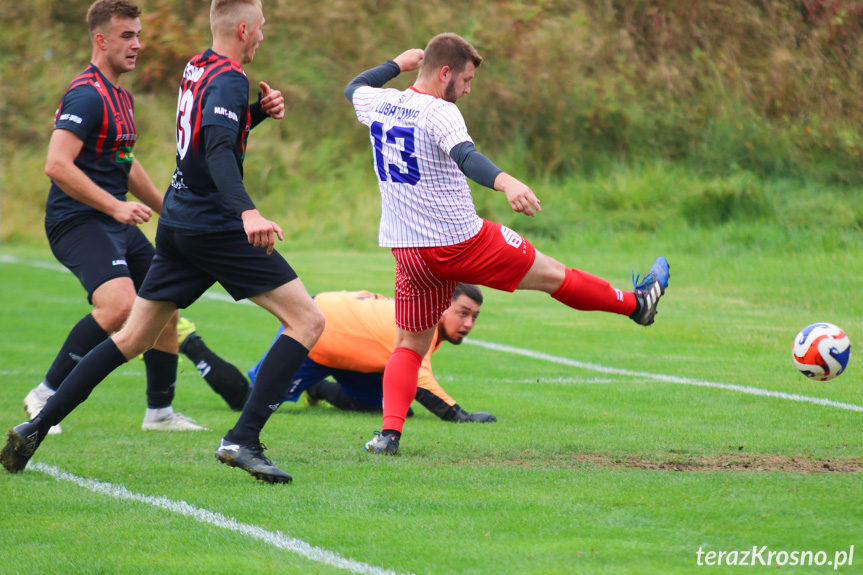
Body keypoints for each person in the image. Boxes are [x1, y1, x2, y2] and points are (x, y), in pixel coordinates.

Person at [1, 0, 325, 485]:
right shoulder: (230, 77)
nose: (263, 35)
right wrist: (248, 211)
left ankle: (37, 425)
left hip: (179, 220)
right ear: (242, 29)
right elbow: (215, 150)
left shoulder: (198, 65)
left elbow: (203, 138)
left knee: (133, 336)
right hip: (212, 225)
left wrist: (253, 114)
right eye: (261, 27)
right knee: (307, 319)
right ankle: (244, 438)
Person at [345, 33, 670, 455]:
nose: (465, 90)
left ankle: (388, 436)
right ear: (444, 73)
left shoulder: (380, 103)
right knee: (555, 275)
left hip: (409, 252)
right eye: (464, 81)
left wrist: (395, 63)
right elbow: (467, 157)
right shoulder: (440, 112)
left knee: (409, 345)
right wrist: (507, 181)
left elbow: (354, 87)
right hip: (462, 241)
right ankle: (637, 304)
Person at [22, 0, 205, 436]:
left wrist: (169, 209)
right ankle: (45, 393)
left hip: (112, 221)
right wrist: (115, 205)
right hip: (77, 220)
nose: (138, 44)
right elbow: (57, 164)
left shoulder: (119, 95)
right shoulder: (86, 94)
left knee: (165, 300)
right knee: (120, 305)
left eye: (139, 35)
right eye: (127, 36)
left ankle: (159, 412)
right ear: (101, 40)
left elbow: (125, 160)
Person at [247, 284, 497, 423]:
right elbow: (420, 381)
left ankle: (317, 389)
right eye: (462, 313)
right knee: (249, 399)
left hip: (351, 351)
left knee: (392, 408)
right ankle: (203, 351)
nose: (468, 324)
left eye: (474, 316)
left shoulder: (421, 315)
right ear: (441, 306)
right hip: (318, 332)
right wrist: (460, 416)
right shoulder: (421, 323)